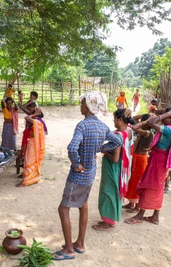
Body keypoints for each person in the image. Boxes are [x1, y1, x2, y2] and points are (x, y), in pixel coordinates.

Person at [54, 91, 121, 261]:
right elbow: (117, 142)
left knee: (63, 209)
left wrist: (76, 164)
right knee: (83, 205)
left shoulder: (82, 126)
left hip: (79, 176)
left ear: (89, 106)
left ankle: (69, 249)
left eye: (83, 103)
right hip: (90, 174)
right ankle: (80, 243)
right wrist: (100, 148)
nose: (80, 105)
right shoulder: (103, 127)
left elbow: (72, 148)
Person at [125, 107, 171, 225]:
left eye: (166, 116)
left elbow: (151, 122)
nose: (161, 119)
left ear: (170, 118)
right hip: (162, 160)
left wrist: (166, 114)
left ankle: (140, 215)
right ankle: (155, 216)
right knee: (158, 187)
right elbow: (156, 114)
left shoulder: (167, 130)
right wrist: (167, 113)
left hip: (158, 160)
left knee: (150, 185)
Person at [93, 109, 134, 231]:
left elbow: (115, 158)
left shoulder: (118, 137)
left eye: (115, 119)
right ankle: (111, 218)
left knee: (108, 193)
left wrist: (105, 151)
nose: (114, 121)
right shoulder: (129, 131)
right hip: (122, 170)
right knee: (115, 194)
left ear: (120, 120)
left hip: (112, 169)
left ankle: (107, 223)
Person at [123, 113, 154, 213]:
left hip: (141, 159)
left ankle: (137, 206)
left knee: (137, 182)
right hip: (136, 158)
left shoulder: (149, 133)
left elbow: (133, 127)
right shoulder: (144, 132)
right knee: (132, 180)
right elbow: (132, 120)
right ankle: (131, 203)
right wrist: (143, 118)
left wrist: (145, 121)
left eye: (142, 122)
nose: (140, 123)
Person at [18, 108, 46, 187]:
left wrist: (35, 114)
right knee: (30, 161)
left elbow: (27, 118)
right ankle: (32, 178)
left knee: (29, 161)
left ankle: (26, 181)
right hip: (32, 143)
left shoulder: (37, 122)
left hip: (34, 145)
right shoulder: (37, 122)